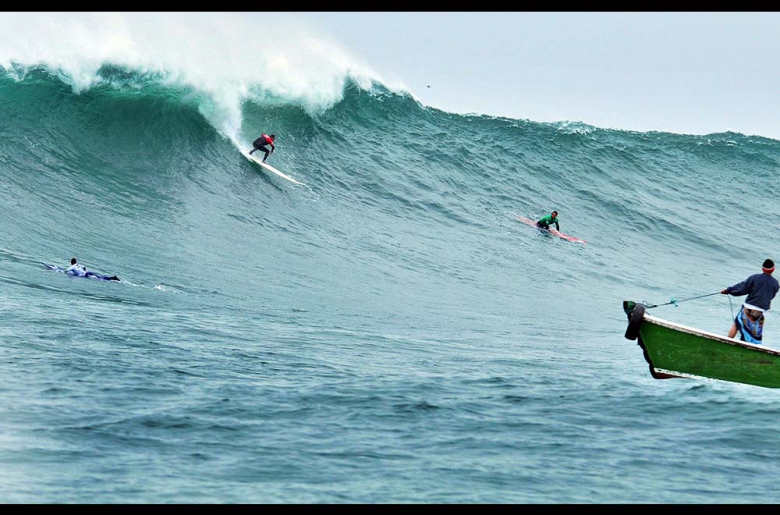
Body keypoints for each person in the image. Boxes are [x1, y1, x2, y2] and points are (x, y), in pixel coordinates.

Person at [721, 258, 780, 344]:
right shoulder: (775, 283)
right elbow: (771, 296)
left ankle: (727, 342)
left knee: (736, 325)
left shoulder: (755, 278)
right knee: (755, 333)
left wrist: (729, 290)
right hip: (761, 312)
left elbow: (742, 288)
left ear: (762, 268)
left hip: (749, 308)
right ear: (773, 269)